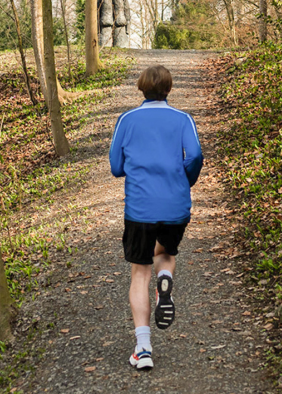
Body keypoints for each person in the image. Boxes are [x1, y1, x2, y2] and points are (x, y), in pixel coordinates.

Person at [109, 65, 203, 370]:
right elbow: (196, 156)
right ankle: (167, 278)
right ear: (168, 89)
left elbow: (115, 165)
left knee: (140, 272)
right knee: (164, 253)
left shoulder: (127, 119)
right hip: (175, 207)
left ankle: (144, 348)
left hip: (140, 209)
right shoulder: (183, 119)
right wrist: (184, 180)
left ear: (141, 89)